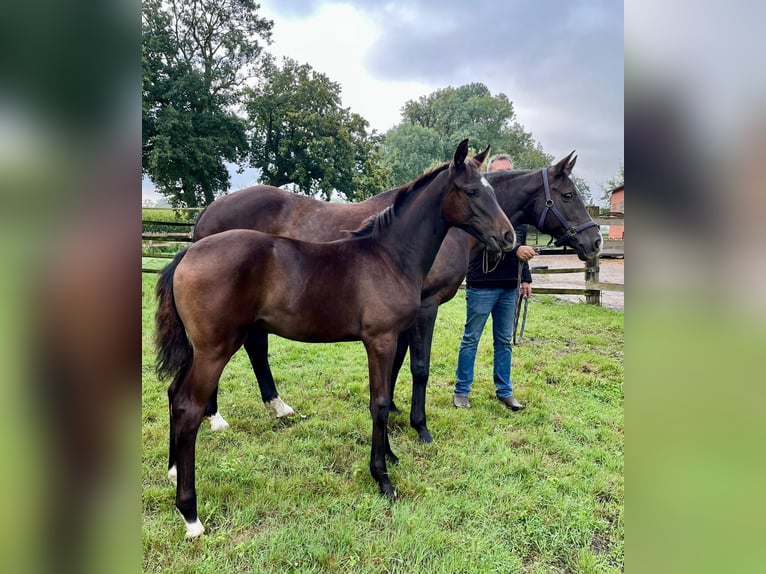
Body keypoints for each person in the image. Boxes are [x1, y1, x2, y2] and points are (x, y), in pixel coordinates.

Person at [453, 153, 537, 411]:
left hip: (509, 283)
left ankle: (505, 391)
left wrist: (526, 277)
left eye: (509, 172)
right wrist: (515, 250)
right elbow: (483, 240)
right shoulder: (479, 206)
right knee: (471, 338)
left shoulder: (518, 208)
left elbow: (519, 240)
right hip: (482, 282)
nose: (505, 177)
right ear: (491, 175)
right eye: (500, 173)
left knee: (504, 341)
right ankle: (461, 391)